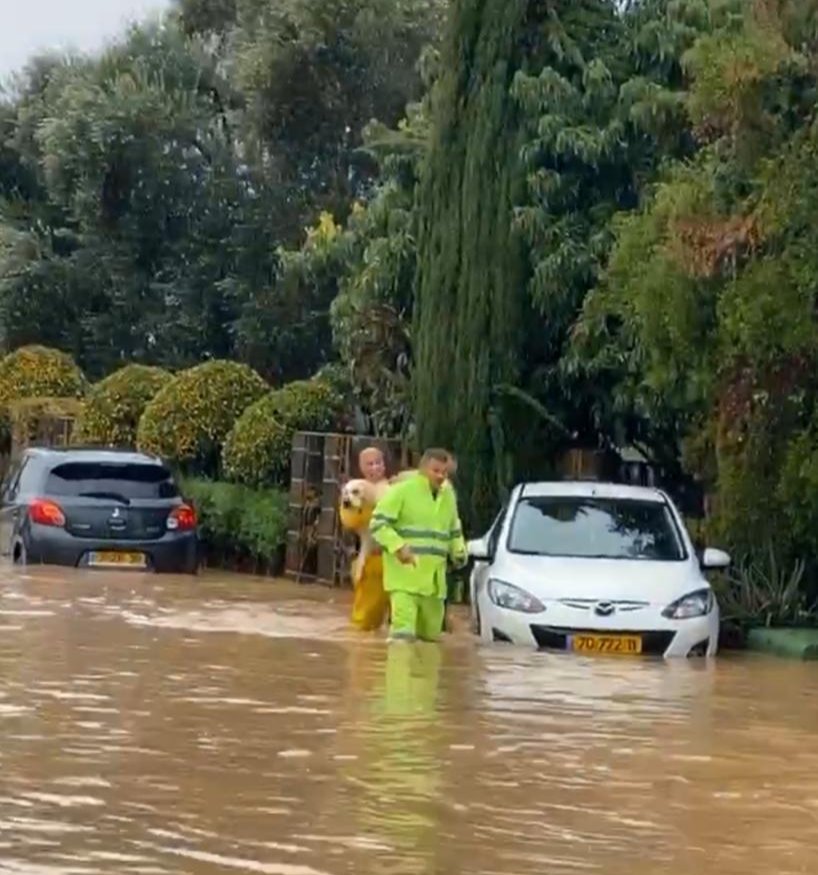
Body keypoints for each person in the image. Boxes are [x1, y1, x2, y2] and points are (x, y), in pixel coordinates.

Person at [371, 448, 467, 642]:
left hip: (434, 584)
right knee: (402, 637)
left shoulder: (448, 495)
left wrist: (459, 551)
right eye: (436, 470)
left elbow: (453, 528)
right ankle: (398, 672)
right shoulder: (402, 491)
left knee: (431, 640)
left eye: (445, 472)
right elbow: (378, 524)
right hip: (404, 579)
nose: (441, 476)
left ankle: (425, 673)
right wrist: (398, 546)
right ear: (423, 469)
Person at [338, 447, 391, 631]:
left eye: (378, 462)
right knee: (365, 621)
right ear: (362, 467)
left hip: (396, 560)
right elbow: (349, 521)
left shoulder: (393, 490)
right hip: (371, 561)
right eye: (370, 464)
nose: (375, 467)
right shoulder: (355, 489)